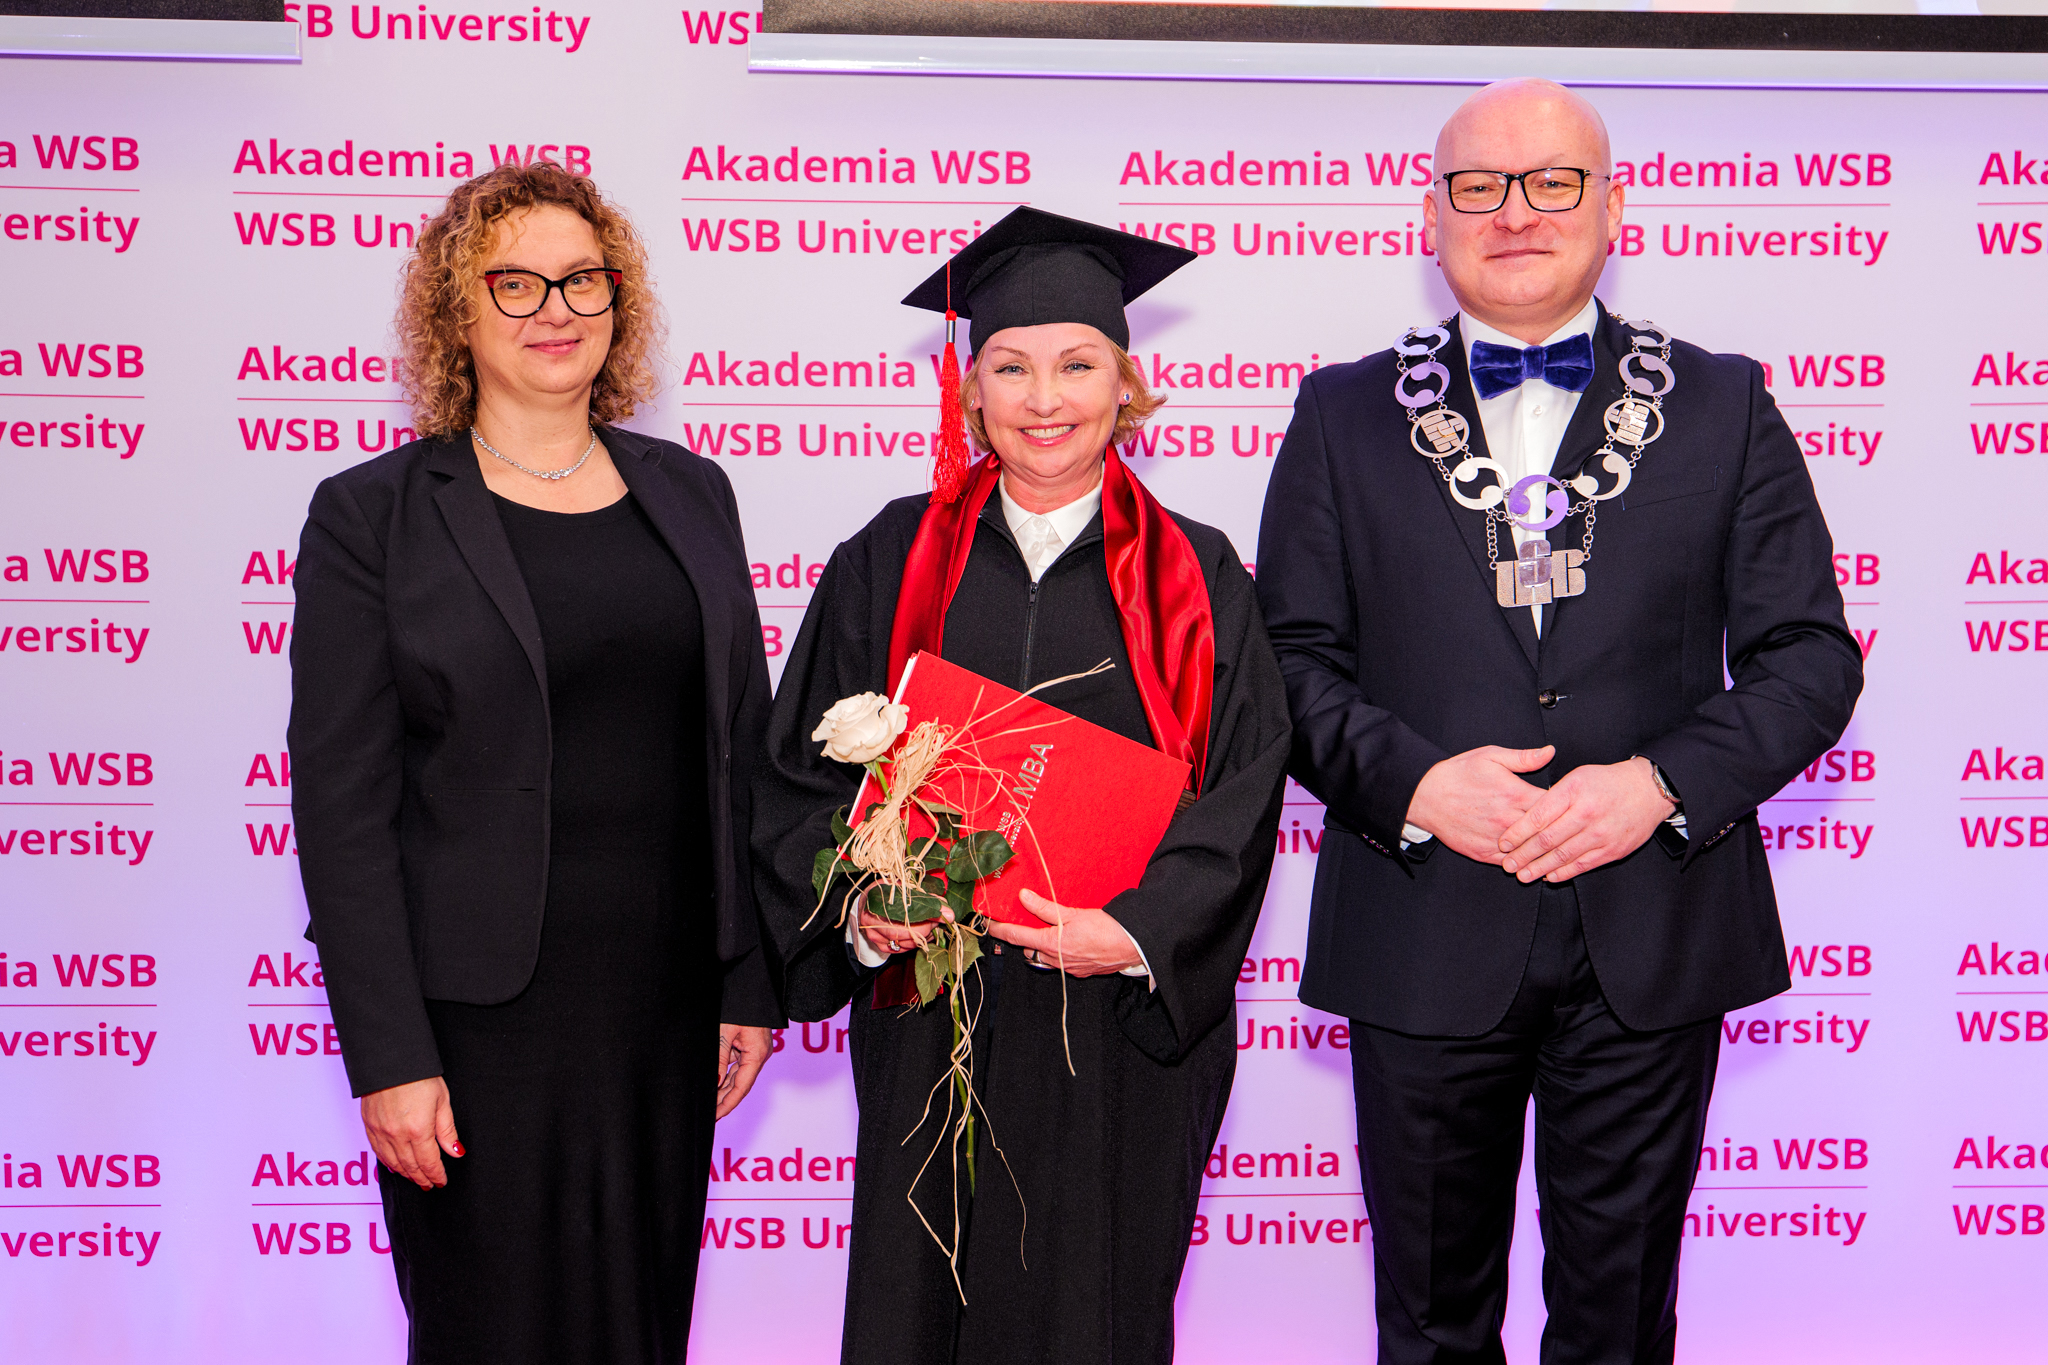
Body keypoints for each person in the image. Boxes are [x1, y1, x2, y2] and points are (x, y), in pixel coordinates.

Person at [1255, 80, 1863, 1364]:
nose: (1514, 214)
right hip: (1420, 925)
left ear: (1611, 207)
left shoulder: (1722, 403)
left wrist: (1657, 783)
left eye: (1551, 182)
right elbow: (1286, 665)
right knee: (1428, 1326)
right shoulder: (1339, 414)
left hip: (1652, 930)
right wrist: (1417, 786)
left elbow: (1807, 659)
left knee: (1618, 1326)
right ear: (1430, 216)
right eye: (1477, 186)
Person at [752, 207, 1291, 1365]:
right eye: (1010, 367)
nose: (1045, 399)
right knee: (915, 1312)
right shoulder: (888, 558)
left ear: (1125, 384)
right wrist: (861, 910)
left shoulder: (1196, 575)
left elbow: (1243, 794)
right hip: (929, 1016)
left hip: (1114, 1033)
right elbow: (797, 769)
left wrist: (1134, 934)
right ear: (970, 391)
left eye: (1077, 366)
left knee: (1093, 1311)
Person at [288, 160, 782, 1365]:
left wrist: (749, 982)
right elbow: (342, 809)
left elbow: (741, 754)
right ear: (455, 313)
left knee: (640, 1328)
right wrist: (390, 1058)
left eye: (580, 280)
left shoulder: (692, 492)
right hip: (474, 1028)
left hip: (663, 1010)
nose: (553, 309)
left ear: (618, 300)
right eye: (512, 284)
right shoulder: (373, 515)